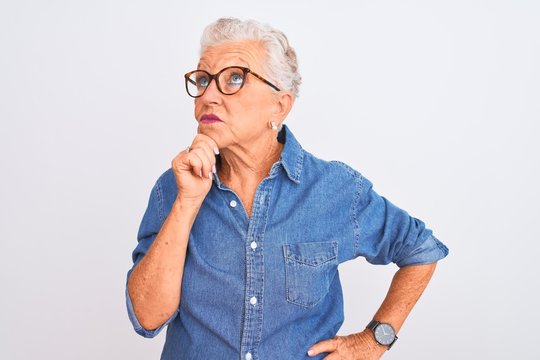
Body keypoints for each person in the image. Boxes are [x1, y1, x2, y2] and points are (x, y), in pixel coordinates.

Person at [126, 17, 449, 360]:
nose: (208, 96)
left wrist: (375, 339)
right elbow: (147, 318)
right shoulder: (173, 188)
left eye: (234, 79)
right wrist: (187, 203)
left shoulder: (334, 189)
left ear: (280, 105)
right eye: (203, 80)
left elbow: (421, 250)